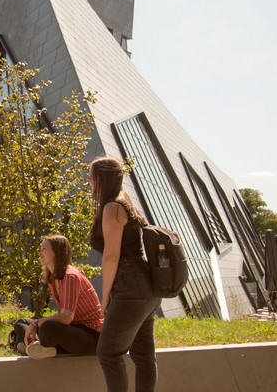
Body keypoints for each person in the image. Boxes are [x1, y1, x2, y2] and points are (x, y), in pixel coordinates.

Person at [88, 156, 161, 392]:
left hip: (129, 287)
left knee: (108, 353)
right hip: (146, 286)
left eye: (91, 176)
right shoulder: (125, 200)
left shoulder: (111, 208)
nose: (88, 181)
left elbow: (111, 256)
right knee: (143, 355)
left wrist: (105, 296)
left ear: (102, 179)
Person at [20, 234, 102, 359]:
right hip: (73, 329)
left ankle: (37, 346)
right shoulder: (53, 279)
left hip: (91, 337)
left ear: (57, 252)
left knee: (46, 327)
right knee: (22, 322)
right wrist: (35, 324)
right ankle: (35, 346)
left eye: (44, 249)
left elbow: (65, 318)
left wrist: (36, 324)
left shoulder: (71, 276)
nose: (39, 253)